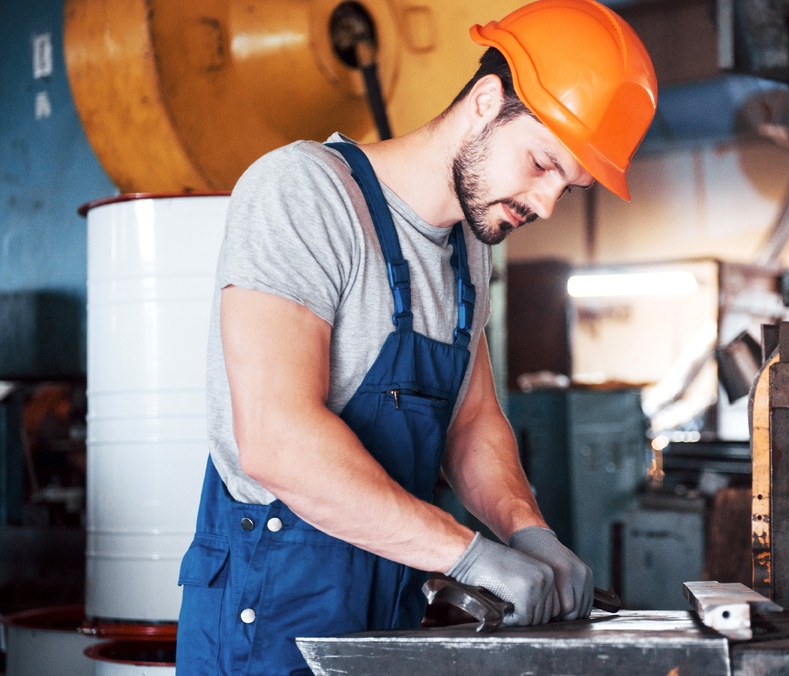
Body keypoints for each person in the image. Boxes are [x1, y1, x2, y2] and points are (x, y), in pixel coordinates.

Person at [174, 0, 657, 672]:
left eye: (568, 189)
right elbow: (276, 440)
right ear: (487, 100)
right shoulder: (304, 193)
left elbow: (473, 424)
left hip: (390, 606)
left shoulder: (470, 250)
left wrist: (527, 529)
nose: (546, 205)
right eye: (543, 164)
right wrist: (471, 554)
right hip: (273, 612)